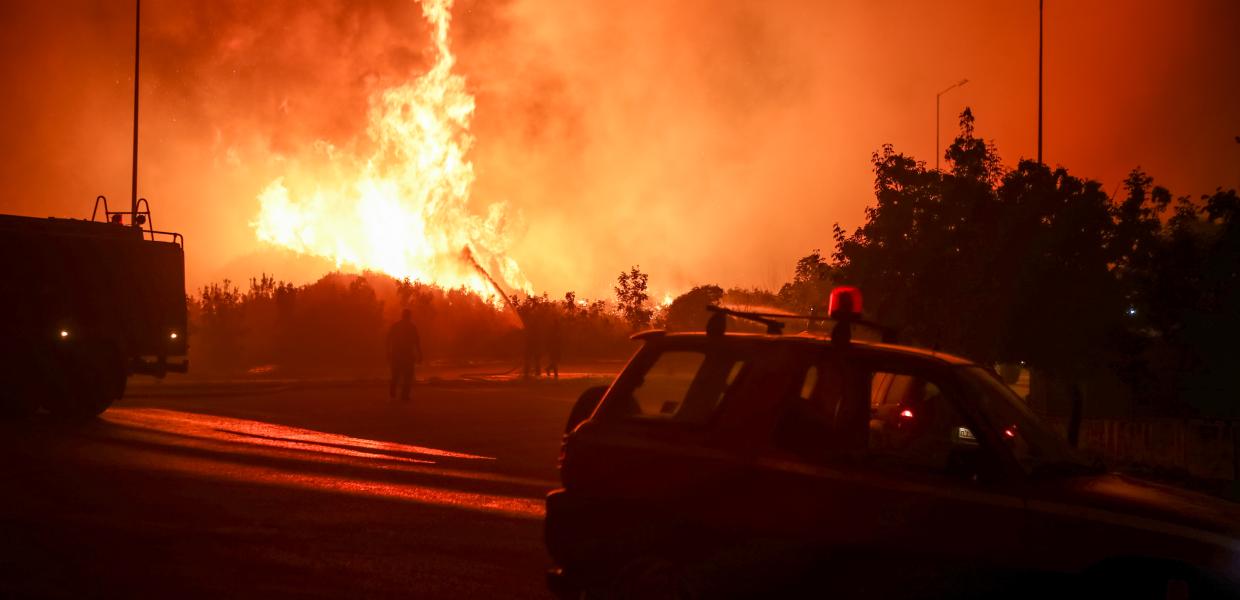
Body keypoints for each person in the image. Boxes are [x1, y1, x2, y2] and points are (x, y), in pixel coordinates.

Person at [387, 308, 422, 402]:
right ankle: (404, 395)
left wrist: (388, 352)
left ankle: (393, 391)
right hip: (407, 355)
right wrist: (420, 354)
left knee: (396, 374)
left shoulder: (396, 326)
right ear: (409, 316)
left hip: (396, 354)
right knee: (408, 376)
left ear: (402, 316)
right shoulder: (412, 327)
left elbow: (388, 339)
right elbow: (417, 342)